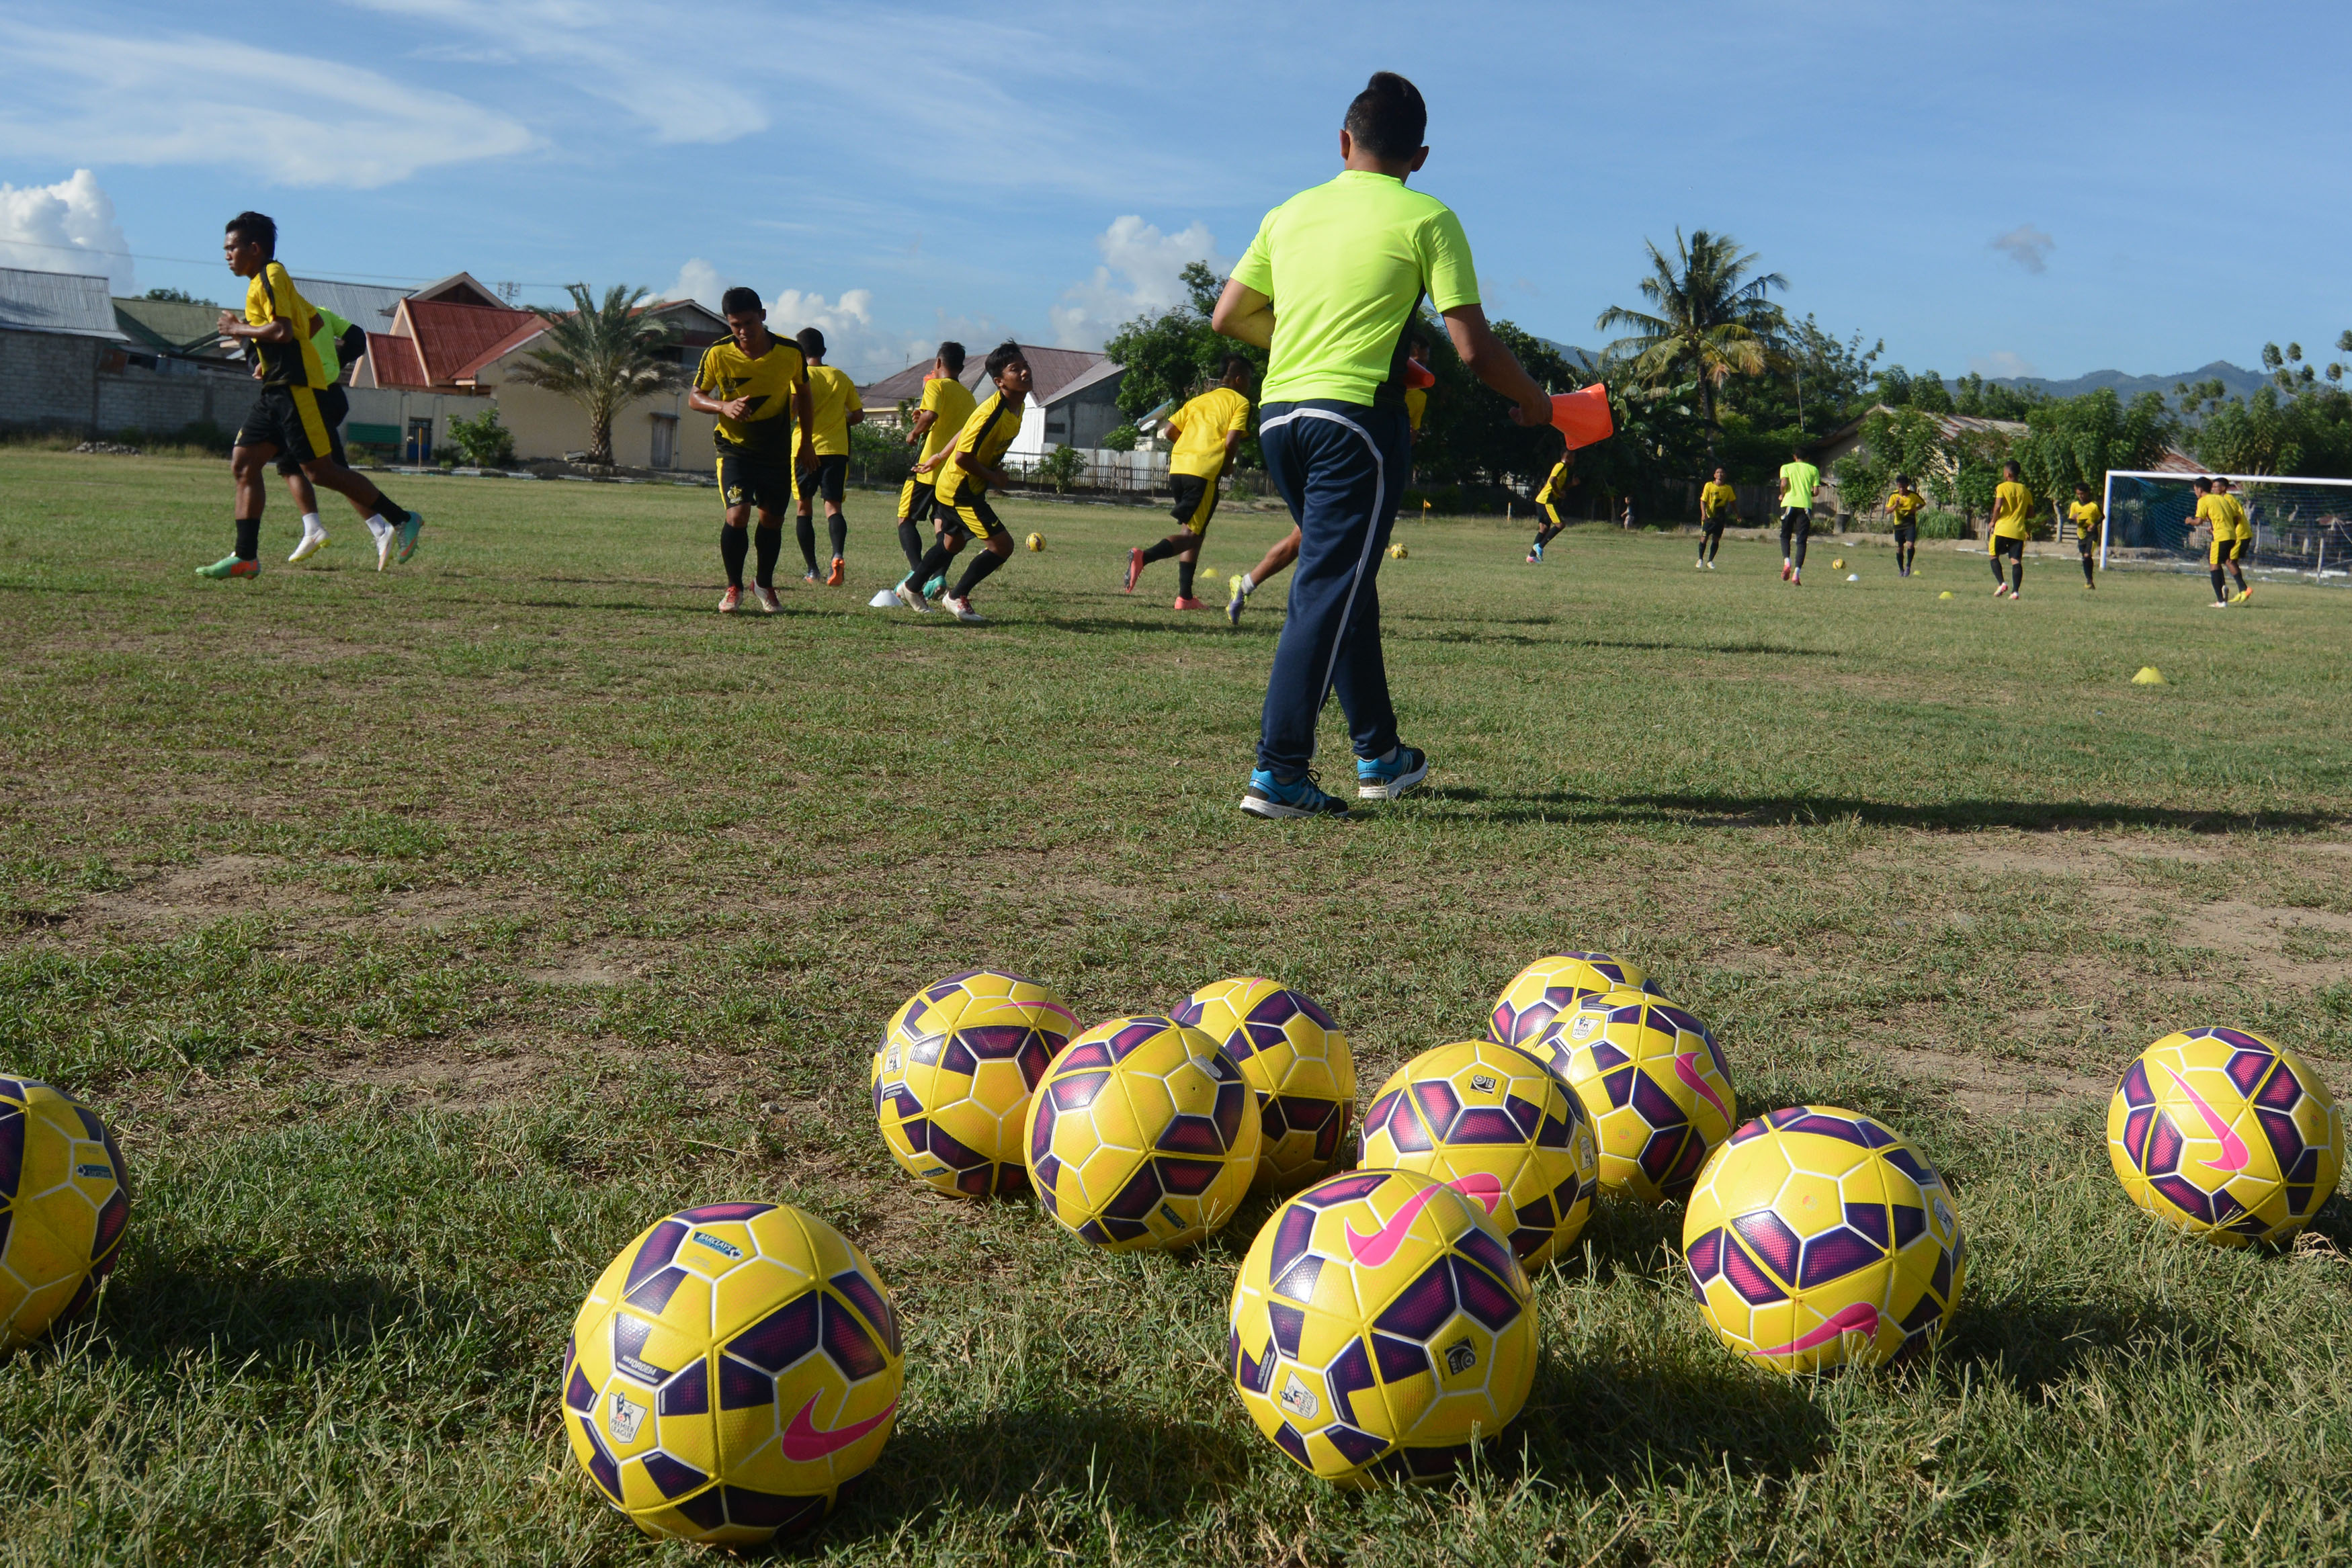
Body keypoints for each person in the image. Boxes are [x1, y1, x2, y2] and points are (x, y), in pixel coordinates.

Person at [1211, 71, 1552, 816]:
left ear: (1343, 142)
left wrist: (1306, 340)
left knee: (1346, 580)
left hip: (1279, 418)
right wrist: (1536, 400)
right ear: (1419, 158)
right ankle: (1278, 771)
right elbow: (1473, 349)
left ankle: (1379, 754)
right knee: (1327, 587)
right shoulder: (1428, 217)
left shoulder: (1287, 213)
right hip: (1354, 423)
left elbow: (1228, 316)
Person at [206, 212, 418, 580]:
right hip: (276, 388)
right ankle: (245, 557)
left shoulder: (272, 275)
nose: (226, 255)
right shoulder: (262, 282)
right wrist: (267, 358)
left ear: (254, 248)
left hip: (296, 389)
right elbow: (308, 322)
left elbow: (283, 331)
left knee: (320, 472)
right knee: (244, 464)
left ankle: (401, 519)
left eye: (231, 248)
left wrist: (238, 329)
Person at [1226, 343, 1429, 623]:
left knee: (1310, 536)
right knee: (1321, 538)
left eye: (1424, 362)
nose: (1420, 369)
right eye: (1415, 360)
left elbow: (1407, 438)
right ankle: (1313, 610)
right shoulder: (1366, 375)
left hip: (1372, 466)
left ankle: (1247, 584)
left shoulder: (1418, 398)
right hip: (1338, 453)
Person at [687, 287, 813, 613]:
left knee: (772, 520)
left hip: (775, 449)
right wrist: (723, 406)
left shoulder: (790, 352)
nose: (743, 331)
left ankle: (764, 584)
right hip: (735, 449)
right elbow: (695, 397)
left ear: (763, 316)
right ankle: (734, 587)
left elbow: (804, 394)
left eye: (749, 323)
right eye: (735, 325)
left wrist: (807, 443)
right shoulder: (717, 353)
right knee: (738, 514)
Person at [898, 341, 1032, 623]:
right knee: (1002, 546)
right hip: (960, 490)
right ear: (999, 381)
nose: (1024, 372)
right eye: (1015, 369)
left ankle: (912, 587)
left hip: (960, 485)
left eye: (1025, 366)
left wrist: (937, 456)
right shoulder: (992, 413)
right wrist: (994, 476)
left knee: (952, 544)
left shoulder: (1015, 406)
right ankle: (956, 596)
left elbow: (964, 430)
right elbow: (963, 458)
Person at [1127, 355, 1253, 608]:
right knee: (1192, 537)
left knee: (1195, 530)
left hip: (1179, 469)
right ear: (1239, 380)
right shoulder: (1240, 402)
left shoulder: (1198, 400)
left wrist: (1191, 448)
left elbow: (1169, 431)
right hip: (1203, 472)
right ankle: (1143, 557)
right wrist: (1227, 465)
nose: (1250, 385)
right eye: (1250, 380)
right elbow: (1231, 441)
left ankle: (1185, 598)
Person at [282, 306, 371, 564]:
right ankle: (313, 529)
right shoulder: (320, 312)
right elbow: (358, 339)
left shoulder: (282, 316)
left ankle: (385, 526)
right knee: (294, 464)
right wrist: (336, 361)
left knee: (327, 470)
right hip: (332, 393)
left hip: (310, 394)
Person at [895, 342, 972, 591]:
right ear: (962, 367)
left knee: (905, 518)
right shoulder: (969, 397)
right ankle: (938, 577)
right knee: (942, 525)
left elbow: (931, 416)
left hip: (927, 467)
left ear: (938, 363)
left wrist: (914, 432)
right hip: (952, 473)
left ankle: (917, 573)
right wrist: (924, 420)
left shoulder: (934, 385)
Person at [794, 326, 864, 586]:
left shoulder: (799, 376)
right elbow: (858, 415)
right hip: (836, 450)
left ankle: (813, 571)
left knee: (804, 507)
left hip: (805, 448)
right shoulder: (840, 377)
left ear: (799, 354)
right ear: (823, 351)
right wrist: (839, 420)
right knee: (833, 507)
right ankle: (837, 555)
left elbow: (792, 410)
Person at [1988, 460, 2032, 599]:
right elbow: (2031, 513)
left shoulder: (2002, 487)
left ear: (2008, 474)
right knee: (2016, 560)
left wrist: (1993, 521)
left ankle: (2002, 583)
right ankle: (2015, 592)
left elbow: (1998, 506)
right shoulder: (2025, 491)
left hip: (2003, 529)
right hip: (2018, 531)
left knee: (1993, 555)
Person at [1777, 444, 1820, 584]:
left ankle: (1787, 562)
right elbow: (1816, 492)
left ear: (1794, 457)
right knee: (1801, 540)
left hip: (1789, 504)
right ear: (1807, 458)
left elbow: (1784, 484)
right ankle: (1796, 574)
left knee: (1785, 535)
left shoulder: (1786, 467)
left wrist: (1783, 494)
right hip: (1805, 506)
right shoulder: (1813, 470)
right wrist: (1807, 493)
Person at [1525, 450, 1574, 564]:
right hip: (1546, 500)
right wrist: (1560, 494)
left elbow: (1558, 486)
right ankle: (1540, 546)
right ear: (1568, 457)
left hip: (1541, 500)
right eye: (1573, 458)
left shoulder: (1565, 469)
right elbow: (1552, 481)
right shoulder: (1560, 466)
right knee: (1560, 524)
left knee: (1544, 528)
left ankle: (1531, 557)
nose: (1574, 461)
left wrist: (1571, 484)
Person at [2212, 476, 2252, 603]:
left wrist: (2228, 529)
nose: (2213, 489)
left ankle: (2244, 589)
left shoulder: (2228, 499)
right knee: (2230, 561)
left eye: (2215, 487)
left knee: (2228, 560)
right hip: (2236, 534)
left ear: (2223, 488)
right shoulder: (2221, 499)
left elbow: (2237, 517)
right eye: (2212, 487)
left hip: (2240, 534)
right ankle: (2242, 590)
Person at [1885, 474, 1924, 578]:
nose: (1901, 489)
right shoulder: (1893, 496)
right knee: (1899, 548)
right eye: (1900, 487)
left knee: (1910, 545)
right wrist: (1896, 505)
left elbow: (1922, 503)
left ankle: (1908, 566)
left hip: (1910, 523)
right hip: (1898, 525)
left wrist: (1915, 509)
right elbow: (1888, 511)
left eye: (1903, 487)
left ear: (1907, 486)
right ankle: (1901, 570)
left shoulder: (1913, 496)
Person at [1697, 465, 1735, 568]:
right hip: (1709, 516)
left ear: (1725, 475)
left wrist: (1737, 514)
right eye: (1718, 472)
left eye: (1722, 472)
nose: (1720, 474)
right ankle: (1700, 559)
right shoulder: (1709, 485)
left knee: (1716, 539)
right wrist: (1703, 513)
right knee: (1704, 537)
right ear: (1714, 475)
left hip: (1720, 517)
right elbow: (1703, 500)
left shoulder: (1728, 488)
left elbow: (1732, 501)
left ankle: (1710, 561)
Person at [2068, 481, 2103, 590]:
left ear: (2087, 493)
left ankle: (2089, 580)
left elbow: (2102, 517)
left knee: (2087, 555)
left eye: (2082, 494)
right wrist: (2072, 519)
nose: (2080, 496)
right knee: (2085, 558)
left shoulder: (2094, 506)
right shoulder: (2074, 505)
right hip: (2081, 534)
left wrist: (2094, 524)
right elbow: (2070, 520)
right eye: (2078, 494)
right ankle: (2090, 581)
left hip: (2092, 534)